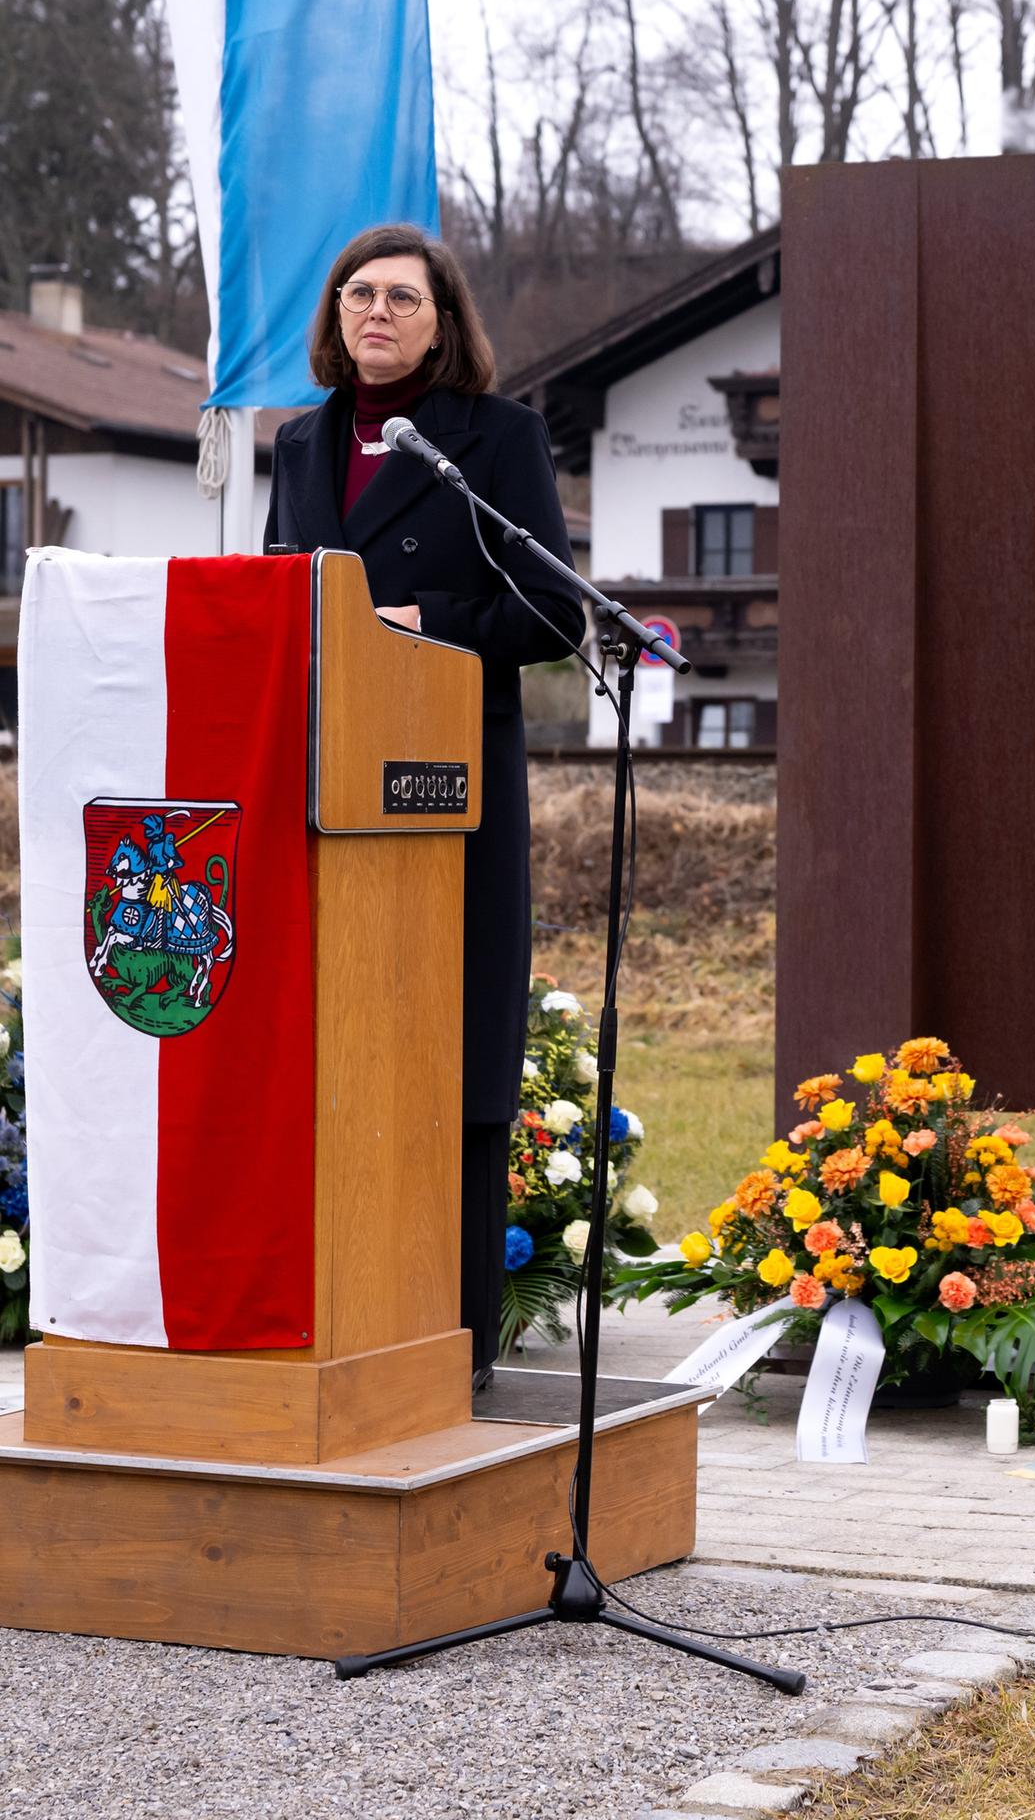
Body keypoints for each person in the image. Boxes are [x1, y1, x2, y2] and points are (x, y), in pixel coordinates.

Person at [264, 222, 585, 1391]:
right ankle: (340, 1316)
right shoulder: (299, 445)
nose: (377, 314)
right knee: (332, 1055)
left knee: (453, 1060)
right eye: (358, 295)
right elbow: (276, 607)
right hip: (325, 796)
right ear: (335, 317)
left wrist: (418, 624)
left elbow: (554, 618)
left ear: (443, 320)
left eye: (403, 297)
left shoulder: (493, 441)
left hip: (450, 795)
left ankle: (452, 1337)